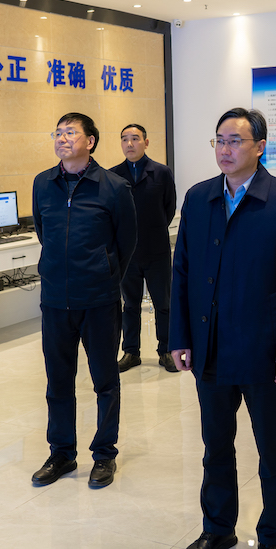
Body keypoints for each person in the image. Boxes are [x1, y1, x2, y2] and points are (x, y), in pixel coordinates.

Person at [171, 108, 276, 549]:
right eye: (219, 140)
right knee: (215, 447)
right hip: (210, 348)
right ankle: (218, 529)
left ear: (260, 146)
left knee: (272, 451)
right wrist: (179, 336)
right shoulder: (198, 198)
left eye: (235, 140)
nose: (225, 149)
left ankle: (274, 537)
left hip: (262, 352)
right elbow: (182, 272)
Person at [30, 112, 137, 489]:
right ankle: (61, 452)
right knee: (58, 382)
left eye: (70, 133)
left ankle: (104, 453)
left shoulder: (114, 187)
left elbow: (127, 242)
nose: (62, 139)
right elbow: (43, 231)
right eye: (58, 133)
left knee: (105, 380)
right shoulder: (43, 183)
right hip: (55, 300)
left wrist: (105, 274)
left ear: (90, 141)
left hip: (99, 300)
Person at [110, 123, 177, 373]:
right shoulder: (114, 175)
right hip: (127, 254)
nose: (129, 144)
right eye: (124, 139)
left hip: (157, 250)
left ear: (146, 143)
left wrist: (153, 229)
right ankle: (131, 352)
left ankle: (166, 351)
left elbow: (169, 208)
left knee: (163, 304)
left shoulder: (161, 172)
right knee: (130, 305)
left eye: (135, 138)